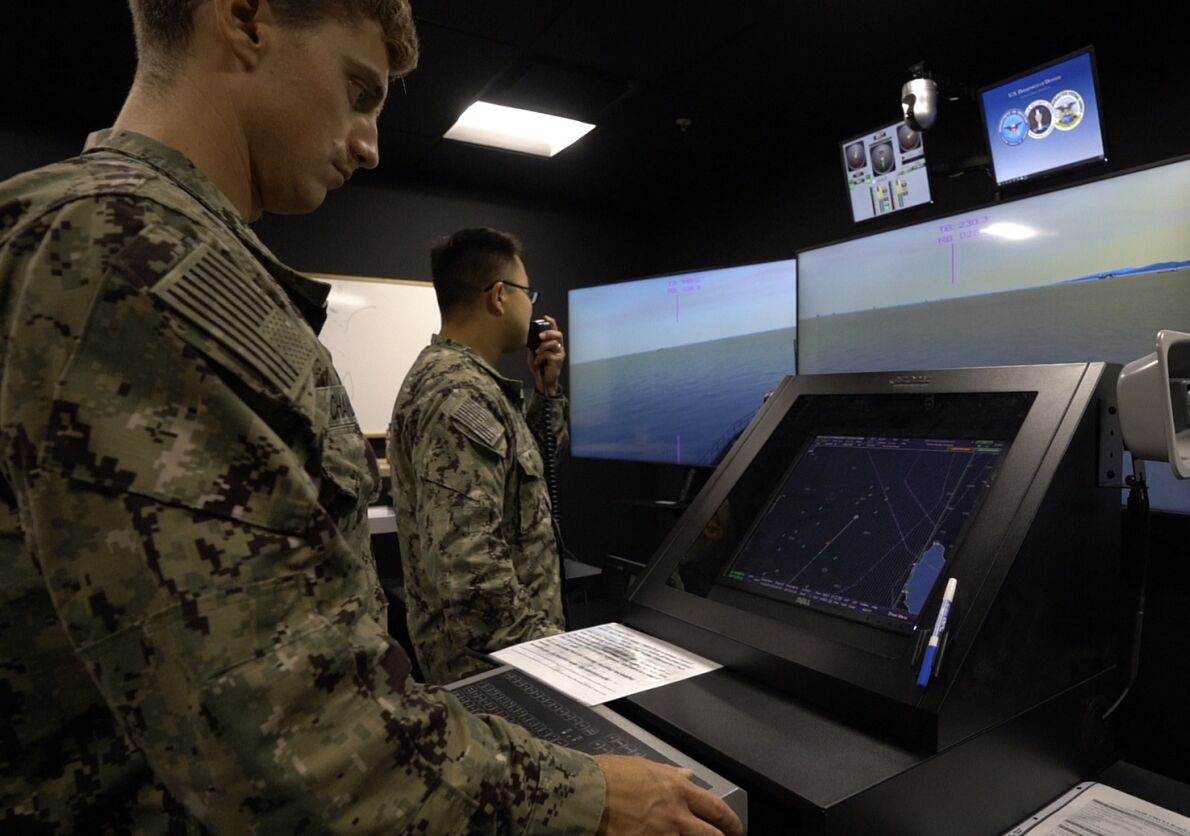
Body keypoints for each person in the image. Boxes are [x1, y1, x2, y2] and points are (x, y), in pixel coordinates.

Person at [0, 2, 742, 834]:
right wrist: (592, 797)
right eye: (358, 91)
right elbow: (288, 738)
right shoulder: (131, 259)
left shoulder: (121, 242)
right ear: (244, 18)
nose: (370, 145)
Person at [388, 228, 569, 684]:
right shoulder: (458, 392)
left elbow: (529, 475)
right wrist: (558, 657)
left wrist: (547, 392)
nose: (533, 308)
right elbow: (470, 568)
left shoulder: (468, 382)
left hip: (506, 656)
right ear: (500, 296)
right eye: (528, 293)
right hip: (497, 665)